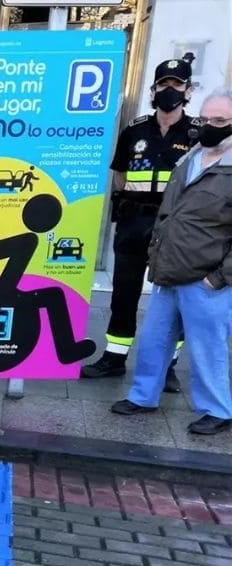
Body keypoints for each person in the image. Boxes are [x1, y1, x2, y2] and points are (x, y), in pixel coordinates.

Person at [111, 88, 232, 436]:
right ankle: (143, 396)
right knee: (154, 341)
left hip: (207, 277)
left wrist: (219, 277)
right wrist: (155, 257)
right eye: (206, 119)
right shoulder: (191, 158)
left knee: (208, 349)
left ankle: (217, 409)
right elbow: (168, 213)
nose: (209, 126)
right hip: (168, 271)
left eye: (220, 121)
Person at [82, 55, 199, 392]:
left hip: (174, 228)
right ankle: (114, 359)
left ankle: (169, 366)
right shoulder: (135, 130)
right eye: (164, 84)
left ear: (188, 91)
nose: (170, 90)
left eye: (177, 85)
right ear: (153, 89)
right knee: (124, 292)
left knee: (173, 296)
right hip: (134, 222)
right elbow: (119, 174)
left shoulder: (195, 134)